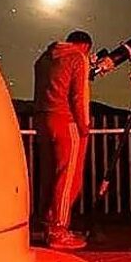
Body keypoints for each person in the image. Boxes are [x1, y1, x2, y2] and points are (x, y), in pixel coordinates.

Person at [32, 30, 94, 249]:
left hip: (42, 120)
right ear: (85, 46)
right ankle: (59, 229)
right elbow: (79, 95)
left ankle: (46, 225)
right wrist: (84, 125)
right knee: (68, 178)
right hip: (66, 122)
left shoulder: (44, 58)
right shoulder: (78, 57)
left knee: (48, 175)